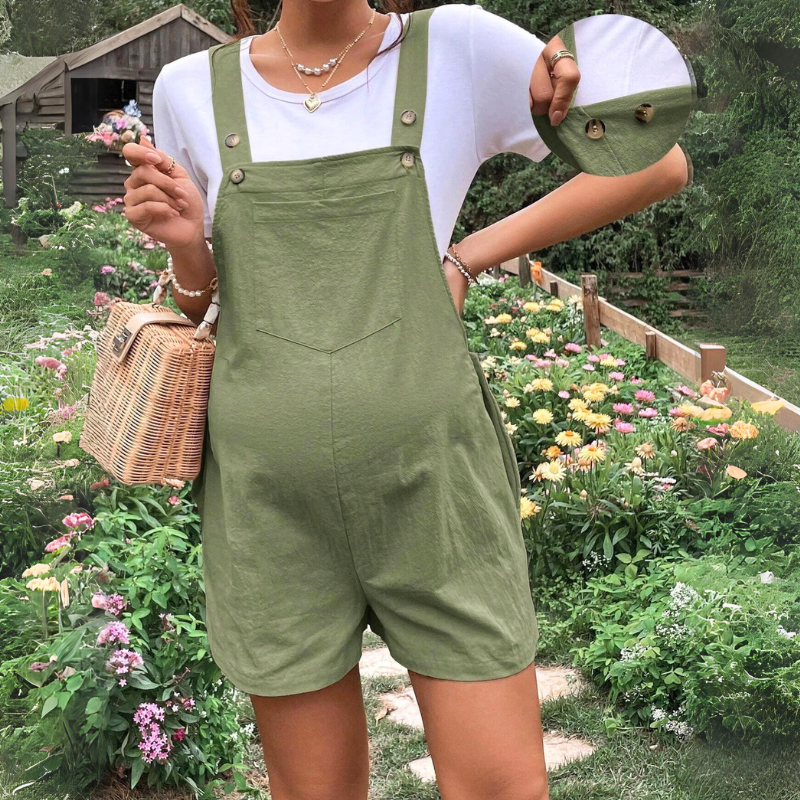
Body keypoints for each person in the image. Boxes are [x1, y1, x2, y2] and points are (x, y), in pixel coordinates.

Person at [121, 2, 688, 798]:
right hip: (269, 505)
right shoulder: (188, 87)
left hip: (436, 490)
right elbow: (204, 305)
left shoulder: (457, 44)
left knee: (501, 788)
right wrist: (185, 250)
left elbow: (655, 159)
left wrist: (467, 256)